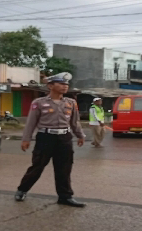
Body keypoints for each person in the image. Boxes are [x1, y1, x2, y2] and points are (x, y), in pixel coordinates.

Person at [15, 72, 86, 208]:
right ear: (50, 86)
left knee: (64, 168)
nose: (65, 86)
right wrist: (26, 139)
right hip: (45, 137)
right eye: (61, 83)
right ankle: (22, 190)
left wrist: (80, 135)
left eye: (66, 84)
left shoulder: (71, 103)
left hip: (64, 138)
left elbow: (75, 122)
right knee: (37, 166)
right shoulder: (39, 103)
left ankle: (65, 196)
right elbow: (31, 122)